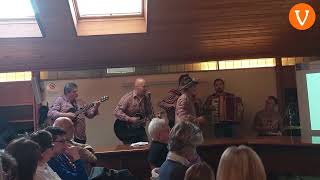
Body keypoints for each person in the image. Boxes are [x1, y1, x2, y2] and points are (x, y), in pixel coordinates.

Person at [114, 78, 154, 144]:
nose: (146, 89)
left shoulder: (146, 99)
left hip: (139, 128)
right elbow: (117, 112)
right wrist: (130, 119)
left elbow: (149, 113)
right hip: (127, 129)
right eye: (144, 86)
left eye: (146, 86)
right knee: (131, 148)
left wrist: (155, 119)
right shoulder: (128, 98)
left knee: (145, 147)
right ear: (136, 87)